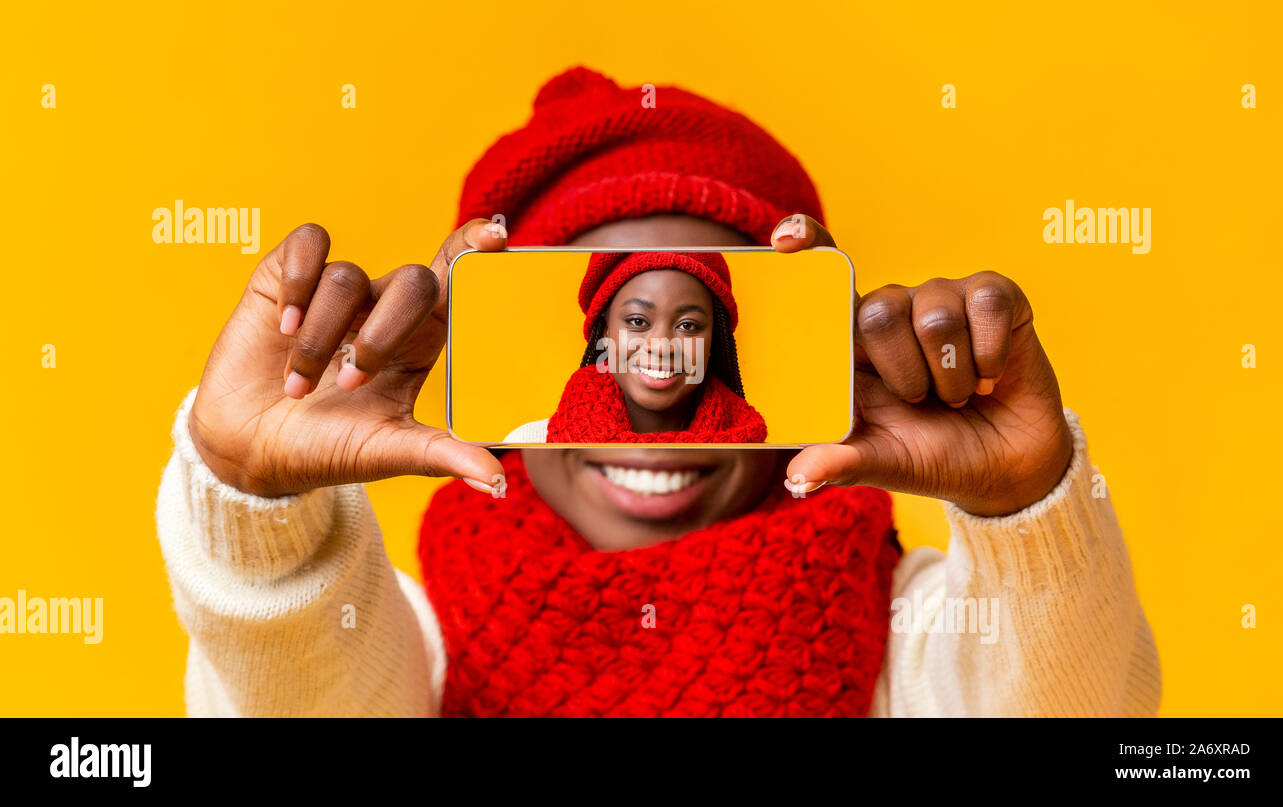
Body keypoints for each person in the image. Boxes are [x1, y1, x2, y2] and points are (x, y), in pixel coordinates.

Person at [156, 67, 1161, 716]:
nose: (659, 386)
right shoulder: (406, 647)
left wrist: (1027, 513)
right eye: (621, 330)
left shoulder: (911, 635)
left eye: (704, 330)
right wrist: (255, 508)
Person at [504, 251, 767, 444]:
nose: (661, 347)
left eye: (688, 326)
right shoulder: (530, 444)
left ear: (712, 341)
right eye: (638, 321)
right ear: (606, 331)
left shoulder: (754, 457)